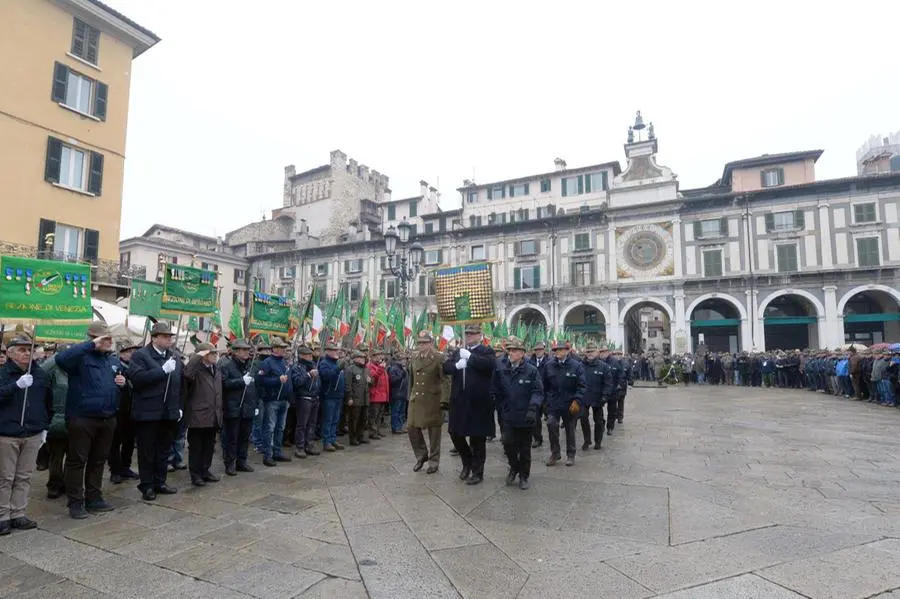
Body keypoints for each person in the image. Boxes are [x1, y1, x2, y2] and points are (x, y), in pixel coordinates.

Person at [55, 323, 125, 519]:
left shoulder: (112, 360)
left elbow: (118, 381)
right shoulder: (80, 357)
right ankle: (75, 502)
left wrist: (123, 383)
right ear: (93, 338)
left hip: (107, 417)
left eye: (110, 338)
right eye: (104, 338)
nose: (109, 341)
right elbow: (61, 359)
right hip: (82, 418)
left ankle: (94, 498)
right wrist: (89, 345)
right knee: (77, 461)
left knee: (98, 460)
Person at [0, 336, 52, 535]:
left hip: (33, 432)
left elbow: (47, 401)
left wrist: (44, 426)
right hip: (7, 433)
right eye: (21, 349)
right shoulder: (3, 374)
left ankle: (18, 513)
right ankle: (2, 516)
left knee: (24, 476)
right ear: (10, 353)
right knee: (5, 477)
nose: (27, 353)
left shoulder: (40, 375)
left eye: (29, 349)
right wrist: (15, 386)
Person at [128, 322, 183, 501]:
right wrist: (161, 371)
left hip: (168, 413)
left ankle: (160, 482)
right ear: (154, 338)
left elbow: (178, 385)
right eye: (165, 336)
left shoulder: (174, 356)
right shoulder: (140, 355)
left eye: (170, 337)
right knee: (147, 452)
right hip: (148, 412)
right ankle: (147, 485)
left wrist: (178, 406)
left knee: (163, 450)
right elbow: (137, 379)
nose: (169, 340)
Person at [443, 324, 496, 485]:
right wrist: (457, 365)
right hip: (459, 400)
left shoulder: (487, 351)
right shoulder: (458, 352)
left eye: (473, 334)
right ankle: (467, 463)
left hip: (478, 402)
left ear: (480, 335)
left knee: (477, 439)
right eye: (468, 334)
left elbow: (489, 365)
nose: (470, 336)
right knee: (455, 434)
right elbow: (446, 367)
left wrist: (471, 358)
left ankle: (478, 471)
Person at [494, 336, 543, 490]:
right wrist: (500, 405)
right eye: (509, 350)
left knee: (524, 448)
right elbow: (496, 390)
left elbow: (538, 392)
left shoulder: (531, 371)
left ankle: (524, 475)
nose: (511, 353)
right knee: (508, 443)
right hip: (508, 415)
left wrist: (533, 408)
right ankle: (514, 467)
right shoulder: (503, 370)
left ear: (522, 353)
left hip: (526, 415)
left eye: (514, 350)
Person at [182, 343, 223, 486]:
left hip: (213, 414)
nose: (215, 355)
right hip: (198, 416)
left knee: (209, 446)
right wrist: (196, 357)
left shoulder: (215, 369)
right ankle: (196, 474)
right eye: (211, 353)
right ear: (203, 355)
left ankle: (205, 470)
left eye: (215, 353)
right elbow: (186, 373)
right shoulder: (196, 370)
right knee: (196, 447)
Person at [543, 340, 586, 467]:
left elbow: (582, 386)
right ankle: (555, 452)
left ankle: (571, 454)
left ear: (567, 351)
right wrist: (546, 401)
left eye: (561, 349)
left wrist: (577, 400)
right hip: (554, 402)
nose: (558, 352)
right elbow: (544, 385)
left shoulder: (576, 366)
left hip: (570, 403)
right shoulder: (549, 365)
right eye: (556, 350)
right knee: (551, 424)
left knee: (570, 429)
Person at [219, 339, 259, 475]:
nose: (247, 352)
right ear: (236, 352)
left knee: (244, 437)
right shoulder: (226, 365)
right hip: (233, 407)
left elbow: (254, 387)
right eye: (244, 350)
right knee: (231, 438)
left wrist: (255, 404)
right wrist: (240, 381)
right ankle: (230, 463)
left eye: (248, 350)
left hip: (247, 407)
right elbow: (223, 384)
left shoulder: (250, 365)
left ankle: (242, 461)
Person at [408, 332, 444, 474]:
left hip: (432, 399)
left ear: (430, 343)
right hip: (416, 399)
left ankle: (434, 461)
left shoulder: (438, 358)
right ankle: (421, 455)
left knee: (434, 432)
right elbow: (412, 379)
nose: (421, 345)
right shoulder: (414, 357)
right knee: (411, 427)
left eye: (424, 343)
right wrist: (409, 396)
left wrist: (444, 400)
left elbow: (445, 380)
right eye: (420, 343)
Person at [257, 337, 293, 467]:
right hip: (272, 400)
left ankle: (277, 452)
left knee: (280, 428)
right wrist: (277, 380)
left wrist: (290, 396)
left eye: (284, 347)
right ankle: (268, 455)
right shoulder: (267, 363)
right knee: (270, 428)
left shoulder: (284, 362)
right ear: (275, 348)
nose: (284, 350)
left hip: (284, 400)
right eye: (282, 347)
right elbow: (260, 380)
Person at [40, 345, 69, 498]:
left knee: (74, 457)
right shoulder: (52, 369)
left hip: (76, 419)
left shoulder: (78, 369)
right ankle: (55, 484)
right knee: (56, 456)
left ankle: (70, 483)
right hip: (56, 420)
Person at [108, 342, 139, 485]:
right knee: (115, 441)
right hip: (118, 409)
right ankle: (115, 470)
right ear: (121, 353)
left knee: (129, 440)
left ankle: (126, 467)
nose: (131, 353)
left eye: (133, 350)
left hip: (132, 409)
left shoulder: (135, 366)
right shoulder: (114, 365)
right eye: (128, 351)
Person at [289, 345, 320, 459]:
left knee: (312, 423)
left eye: (311, 355)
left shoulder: (313, 365)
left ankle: (309, 444)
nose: (310, 357)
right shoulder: (297, 367)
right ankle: (300, 447)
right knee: (302, 424)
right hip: (304, 398)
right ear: (301, 355)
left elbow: (318, 381)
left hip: (314, 397)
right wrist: (308, 375)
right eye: (308, 355)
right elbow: (297, 382)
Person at [580, 342, 612, 451]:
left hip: (598, 398)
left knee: (598, 421)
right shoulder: (580, 366)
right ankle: (587, 440)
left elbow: (608, 383)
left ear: (597, 352)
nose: (590, 354)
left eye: (592, 351)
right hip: (583, 397)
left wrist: (605, 396)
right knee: (583, 418)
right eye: (588, 352)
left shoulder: (604, 367)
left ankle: (598, 441)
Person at [318, 342, 346, 452]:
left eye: (337, 350)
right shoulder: (324, 363)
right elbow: (327, 376)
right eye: (334, 351)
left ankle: (332, 439)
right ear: (328, 352)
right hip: (329, 395)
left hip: (338, 395)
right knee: (328, 419)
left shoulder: (336, 363)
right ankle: (327, 441)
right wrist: (338, 369)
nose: (337, 352)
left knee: (335, 419)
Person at [343, 350, 371, 446]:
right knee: (353, 419)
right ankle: (353, 438)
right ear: (355, 359)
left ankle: (360, 435)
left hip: (365, 398)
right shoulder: (351, 369)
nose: (363, 359)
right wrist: (349, 397)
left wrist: (370, 381)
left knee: (363, 419)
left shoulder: (366, 369)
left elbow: (370, 383)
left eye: (363, 358)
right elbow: (348, 385)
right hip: (355, 399)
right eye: (360, 358)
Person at [528, 342, 549, 449]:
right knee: (535, 418)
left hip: (546, 394)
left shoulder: (549, 361)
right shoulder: (530, 362)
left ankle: (553, 438)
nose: (538, 352)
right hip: (535, 394)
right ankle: (537, 438)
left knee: (550, 419)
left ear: (544, 350)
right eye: (536, 350)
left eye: (540, 350)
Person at [367, 349, 390, 440]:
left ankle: (377, 430)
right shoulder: (370, 366)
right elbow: (374, 377)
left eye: (379, 355)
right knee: (374, 415)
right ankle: (373, 432)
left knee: (380, 415)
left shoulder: (380, 366)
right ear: (372, 357)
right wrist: (381, 368)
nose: (379, 357)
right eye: (376, 356)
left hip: (383, 395)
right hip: (375, 395)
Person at [387, 352, 409, 435]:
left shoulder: (403, 369)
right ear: (398, 360)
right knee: (395, 411)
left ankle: (399, 427)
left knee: (401, 412)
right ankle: (395, 427)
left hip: (403, 393)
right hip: (396, 393)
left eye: (405, 359)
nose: (405, 361)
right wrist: (401, 376)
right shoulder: (394, 369)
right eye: (403, 359)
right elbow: (393, 381)